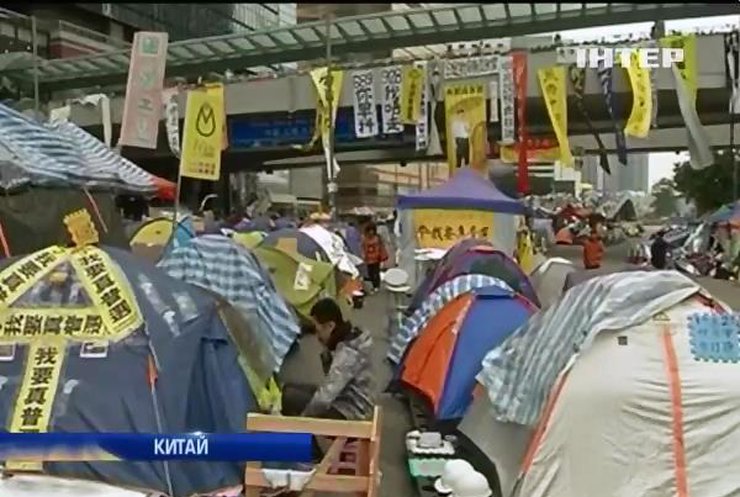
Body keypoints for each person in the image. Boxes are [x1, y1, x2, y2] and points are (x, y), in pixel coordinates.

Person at [282, 298, 375, 422]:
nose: (317, 336)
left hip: (351, 412)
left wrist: (303, 420)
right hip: (348, 401)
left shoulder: (347, 354)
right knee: (290, 391)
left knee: (291, 398)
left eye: (318, 329)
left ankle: (300, 439)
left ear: (330, 326)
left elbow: (324, 398)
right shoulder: (348, 340)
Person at [362, 224, 387, 292]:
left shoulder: (377, 238)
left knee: (376, 272)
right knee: (370, 273)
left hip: (376, 258)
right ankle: (374, 285)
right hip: (369, 259)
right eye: (369, 230)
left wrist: (381, 256)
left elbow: (380, 247)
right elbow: (364, 248)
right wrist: (364, 255)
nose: (371, 232)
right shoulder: (364, 238)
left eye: (372, 230)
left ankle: (376, 286)